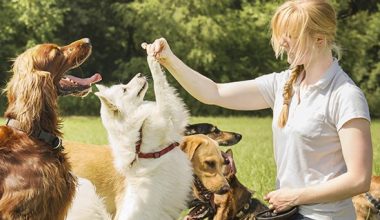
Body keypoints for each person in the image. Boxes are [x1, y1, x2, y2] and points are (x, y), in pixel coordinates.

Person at [142, 0, 373, 219]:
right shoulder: (283, 84)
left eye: (290, 36)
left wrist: (296, 195)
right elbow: (214, 92)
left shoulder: (345, 96)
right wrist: (169, 59)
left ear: (319, 40)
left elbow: (359, 179)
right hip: (287, 213)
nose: (283, 43)